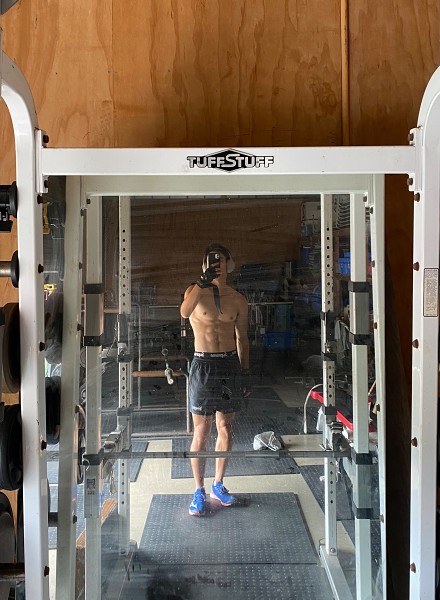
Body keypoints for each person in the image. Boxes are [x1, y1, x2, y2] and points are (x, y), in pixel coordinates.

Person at [180, 243, 250, 516]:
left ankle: (218, 484)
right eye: (211, 261)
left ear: (229, 265)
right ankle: (198, 489)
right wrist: (202, 282)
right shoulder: (194, 292)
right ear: (203, 265)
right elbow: (185, 312)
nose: (216, 265)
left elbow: (242, 339)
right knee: (201, 431)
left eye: (220, 261)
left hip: (229, 366)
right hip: (203, 366)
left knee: (225, 428)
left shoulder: (238, 299)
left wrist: (245, 372)